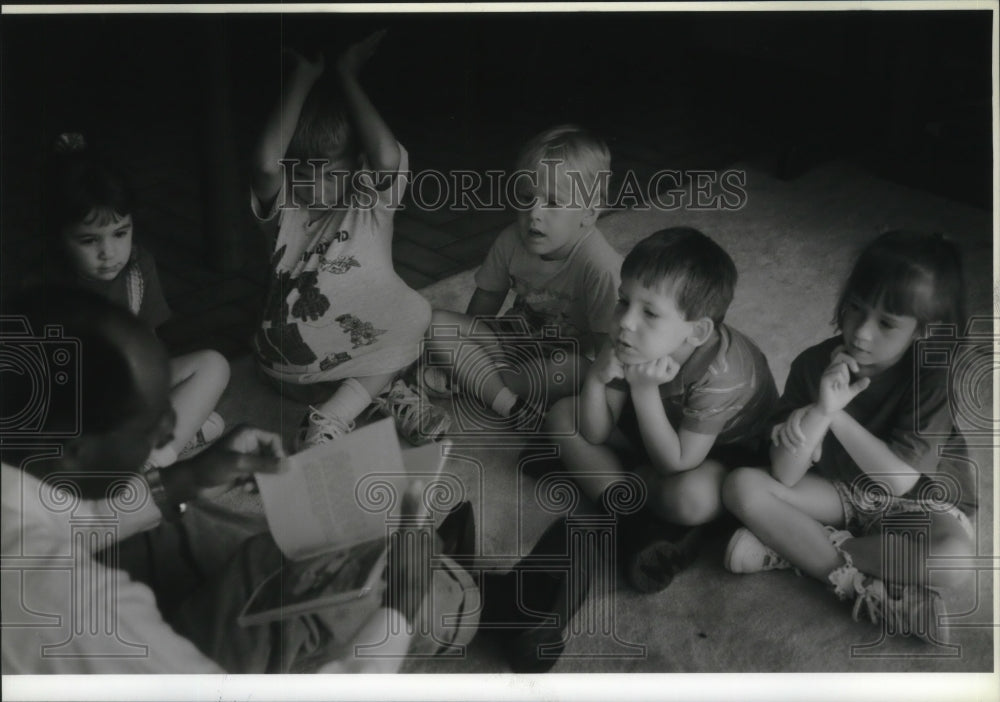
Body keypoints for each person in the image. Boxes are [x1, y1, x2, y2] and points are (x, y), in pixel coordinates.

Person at [0, 288, 476, 673]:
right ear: (73, 452)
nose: (172, 429)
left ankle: (443, 582)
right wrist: (399, 612)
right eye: (150, 425)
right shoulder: (79, 611)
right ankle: (462, 598)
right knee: (340, 594)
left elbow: (58, 517)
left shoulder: (26, 475)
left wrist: (182, 480)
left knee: (201, 528)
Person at [721, 231, 977, 644]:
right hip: (841, 493)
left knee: (954, 562)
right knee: (742, 487)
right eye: (856, 309)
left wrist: (835, 415)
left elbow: (901, 482)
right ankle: (859, 584)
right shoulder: (812, 365)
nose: (861, 333)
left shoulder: (932, 375)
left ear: (923, 331)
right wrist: (820, 410)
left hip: (914, 505)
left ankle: (797, 549)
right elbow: (784, 475)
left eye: (886, 323)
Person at [545, 227, 778, 593]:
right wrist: (594, 381)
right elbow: (595, 432)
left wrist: (643, 390)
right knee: (562, 416)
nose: (625, 320)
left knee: (691, 499)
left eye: (649, 312)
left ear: (697, 332)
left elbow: (676, 463)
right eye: (624, 301)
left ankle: (619, 494)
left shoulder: (726, 373)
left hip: (716, 454)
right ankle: (634, 520)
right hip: (650, 429)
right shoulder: (629, 337)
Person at [250, 31, 447, 448]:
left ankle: (375, 396)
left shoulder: (367, 203)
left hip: (312, 365)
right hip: (290, 353)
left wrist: (347, 77)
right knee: (415, 315)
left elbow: (386, 157)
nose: (316, 188)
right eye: (303, 175)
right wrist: (304, 77)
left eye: (329, 173)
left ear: (356, 166)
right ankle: (330, 419)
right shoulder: (286, 210)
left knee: (394, 324)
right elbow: (267, 162)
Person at [34, 133, 230, 467]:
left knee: (213, 366)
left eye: (120, 233)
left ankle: (155, 458)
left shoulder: (139, 269)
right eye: (88, 240)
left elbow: (150, 346)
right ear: (59, 239)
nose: (108, 253)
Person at [422, 124, 622, 427]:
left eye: (553, 202)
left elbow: (607, 346)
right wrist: (472, 340)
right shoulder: (511, 240)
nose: (534, 213)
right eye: (527, 197)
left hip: (559, 357)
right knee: (433, 321)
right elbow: (486, 300)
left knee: (581, 370)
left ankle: (480, 382)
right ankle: (510, 405)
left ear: (589, 213)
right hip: (509, 338)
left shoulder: (601, 266)